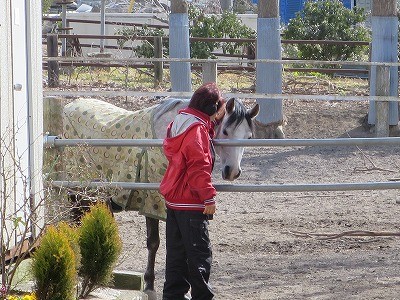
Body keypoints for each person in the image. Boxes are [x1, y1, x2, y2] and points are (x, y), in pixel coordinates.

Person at [160, 82, 226, 300]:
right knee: (199, 257)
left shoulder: (179, 121)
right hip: (191, 202)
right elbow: (198, 165)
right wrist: (209, 197)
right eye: (221, 106)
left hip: (174, 201)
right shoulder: (197, 129)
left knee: (176, 259)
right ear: (213, 107)